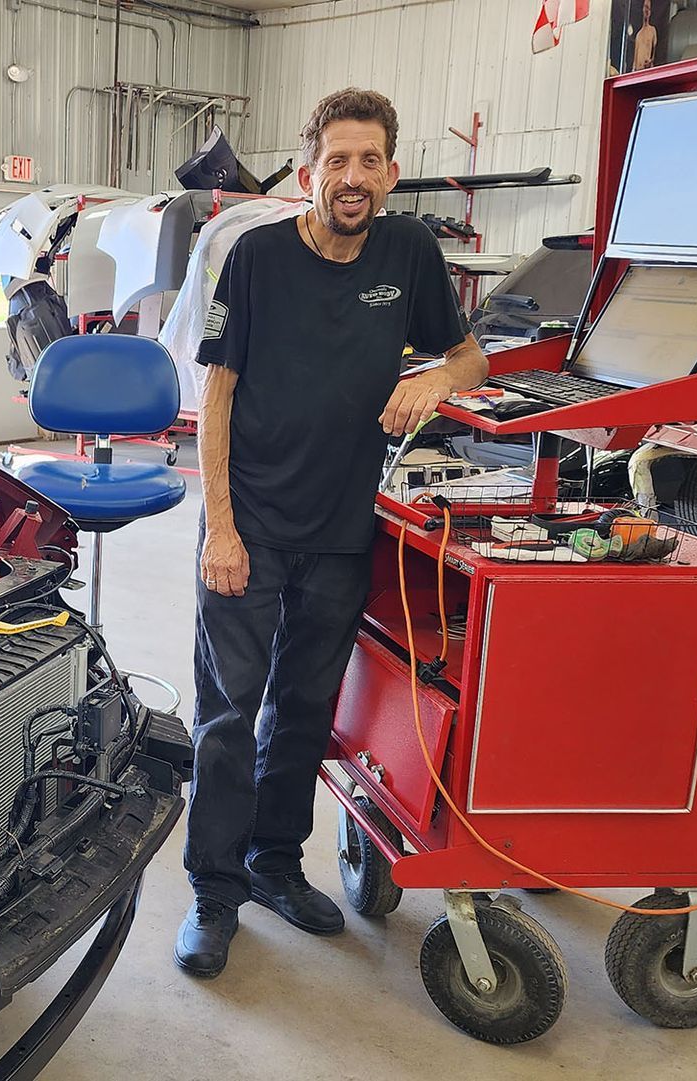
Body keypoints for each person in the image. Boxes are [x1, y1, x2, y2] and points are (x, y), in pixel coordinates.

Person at [175, 88, 489, 978]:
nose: (353, 178)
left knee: (306, 711)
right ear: (310, 171)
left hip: (345, 529)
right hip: (252, 522)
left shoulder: (410, 251)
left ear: (389, 172)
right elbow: (217, 399)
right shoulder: (256, 259)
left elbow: (470, 354)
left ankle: (277, 864)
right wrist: (221, 531)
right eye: (336, 161)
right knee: (229, 714)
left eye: (370, 162)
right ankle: (213, 889)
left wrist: (437, 380)